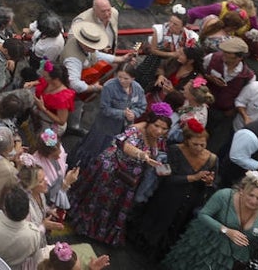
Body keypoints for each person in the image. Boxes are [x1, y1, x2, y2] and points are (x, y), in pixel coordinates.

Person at [67, 106, 172, 245]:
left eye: (164, 128)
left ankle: (100, 232)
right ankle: (84, 226)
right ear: (149, 121)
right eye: (156, 125)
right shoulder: (135, 130)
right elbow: (125, 146)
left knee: (112, 205)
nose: (159, 131)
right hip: (111, 170)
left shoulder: (159, 138)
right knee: (98, 199)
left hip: (129, 178)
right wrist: (143, 155)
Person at [127, 119, 218, 260]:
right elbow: (167, 177)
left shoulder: (212, 159)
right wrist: (192, 178)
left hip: (188, 202)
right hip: (167, 197)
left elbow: (212, 182)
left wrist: (209, 182)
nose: (199, 148)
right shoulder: (175, 150)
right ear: (187, 141)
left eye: (203, 145)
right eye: (195, 144)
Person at [69, 66, 147, 167]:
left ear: (133, 79)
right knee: (92, 148)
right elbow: (105, 109)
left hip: (122, 128)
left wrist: (134, 113)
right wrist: (123, 113)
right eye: (120, 77)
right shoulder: (109, 86)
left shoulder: (138, 89)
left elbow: (142, 106)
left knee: (109, 153)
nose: (122, 81)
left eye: (126, 78)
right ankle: (77, 167)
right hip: (104, 126)